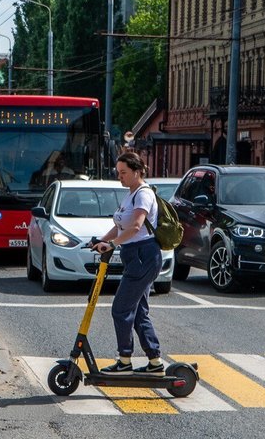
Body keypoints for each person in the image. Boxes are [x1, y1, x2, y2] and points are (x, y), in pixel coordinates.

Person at [90, 151, 164, 376]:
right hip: (137, 256)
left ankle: (124, 361)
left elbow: (135, 227)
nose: (119, 176)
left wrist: (112, 246)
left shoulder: (143, 194)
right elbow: (121, 226)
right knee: (138, 311)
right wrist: (102, 240)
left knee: (120, 309)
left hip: (143, 255)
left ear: (137, 172)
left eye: (123, 173)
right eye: (118, 173)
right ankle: (155, 363)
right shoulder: (130, 194)